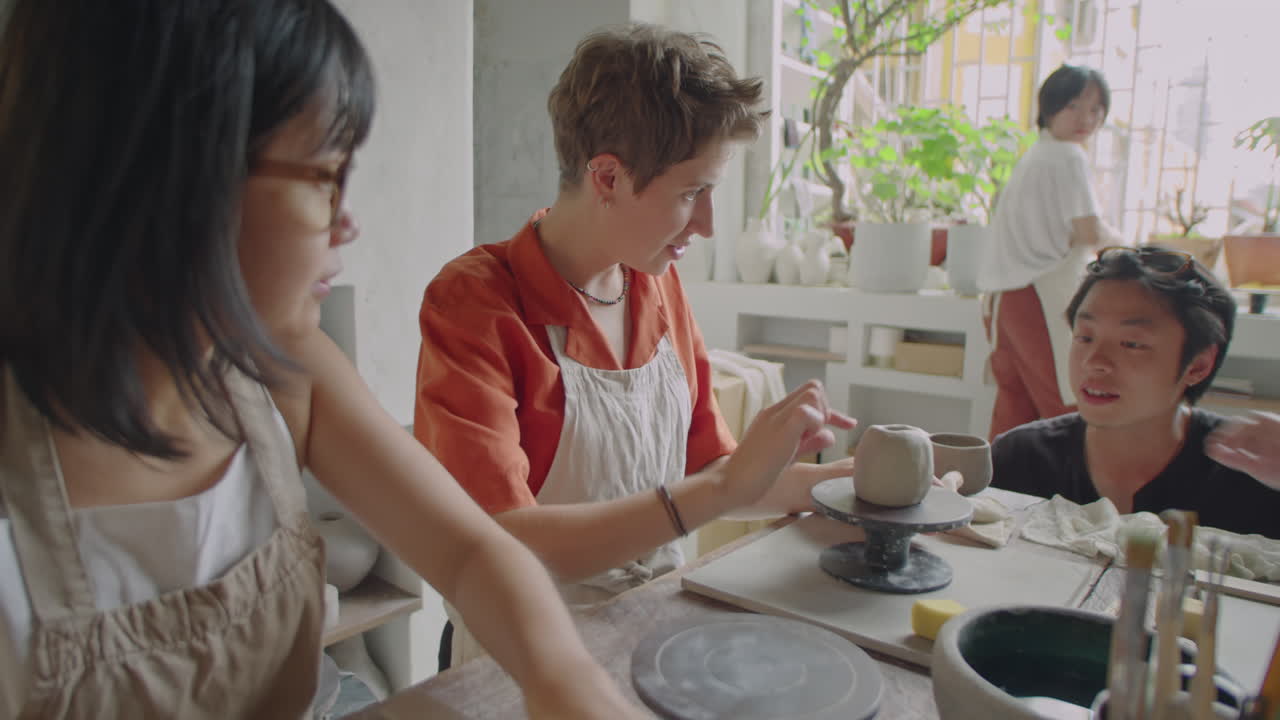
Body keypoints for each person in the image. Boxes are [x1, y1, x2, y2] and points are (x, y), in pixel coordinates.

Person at [0, 2, 651, 718]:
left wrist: (566, 679)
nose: (348, 219)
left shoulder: (282, 370)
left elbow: (471, 552)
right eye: (323, 177)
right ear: (175, 176)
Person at [414, 23, 857, 667]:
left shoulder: (655, 282)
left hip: (652, 632)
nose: (705, 225)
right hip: (523, 657)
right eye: (691, 193)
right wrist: (724, 488)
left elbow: (712, 473)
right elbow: (500, 542)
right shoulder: (476, 304)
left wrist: (839, 486)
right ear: (608, 177)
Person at [991, 246, 1280, 538]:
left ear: (1198, 365)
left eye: (1131, 344)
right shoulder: (1018, 460)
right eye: (1085, 337)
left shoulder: (1252, 473)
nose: (1095, 362)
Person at [978, 64, 1124, 439]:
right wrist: (1134, 249)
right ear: (1051, 107)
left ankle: (993, 496)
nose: (1085, 119)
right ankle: (1075, 498)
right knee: (1065, 406)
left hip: (1006, 300)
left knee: (1015, 411)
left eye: (1095, 110)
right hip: (1043, 296)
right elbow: (1089, 231)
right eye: (1074, 106)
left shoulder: (1035, 157)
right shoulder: (1068, 157)